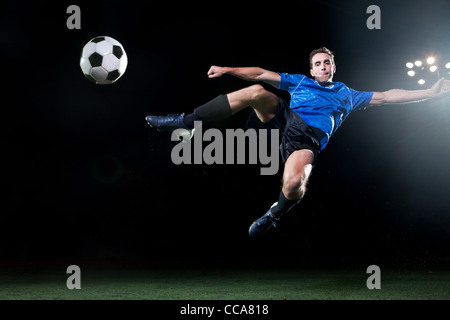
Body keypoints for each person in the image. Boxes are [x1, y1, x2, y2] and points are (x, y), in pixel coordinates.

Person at [145, 47, 450, 238]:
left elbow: (387, 96)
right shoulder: (300, 81)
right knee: (256, 90)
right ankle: (183, 121)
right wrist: (227, 70)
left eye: (327, 63)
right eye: (318, 63)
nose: (323, 67)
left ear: (333, 67)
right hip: (283, 118)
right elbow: (262, 73)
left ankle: (274, 213)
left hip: (304, 141)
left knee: (293, 185)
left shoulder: (348, 94)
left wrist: (431, 94)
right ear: (311, 69)